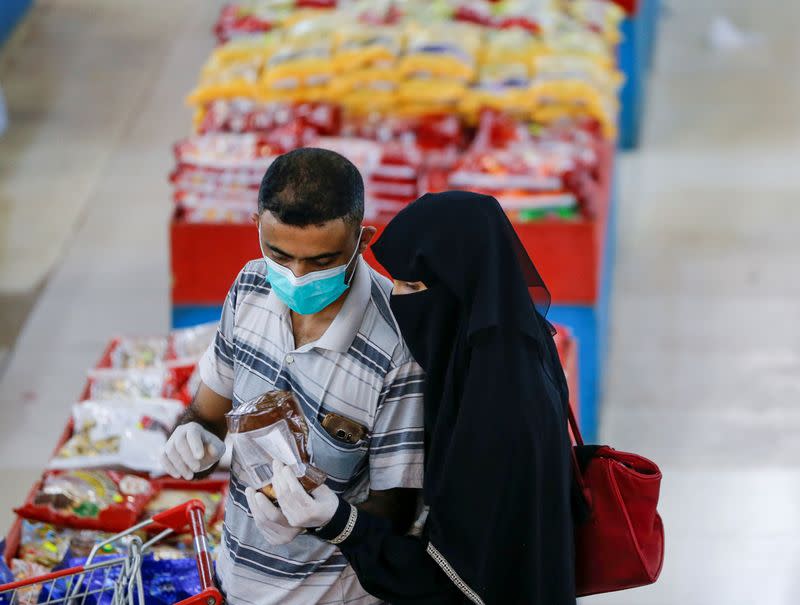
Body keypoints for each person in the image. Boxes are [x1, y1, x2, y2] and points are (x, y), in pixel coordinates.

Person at [258, 191, 577, 604]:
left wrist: (337, 521)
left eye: (412, 285)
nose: (398, 301)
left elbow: (447, 577)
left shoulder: (497, 413)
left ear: (458, 289)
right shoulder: (511, 351)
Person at [160, 148, 425, 605]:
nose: (297, 277)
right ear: (257, 227)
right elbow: (209, 410)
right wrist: (192, 436)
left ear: (362, 241)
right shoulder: (250, 286)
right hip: (237, 577)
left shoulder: (398, 346)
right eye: (279, 255)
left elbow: (396, 509)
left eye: (321, 262)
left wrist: (326, 517)